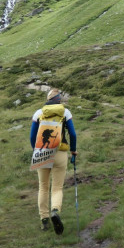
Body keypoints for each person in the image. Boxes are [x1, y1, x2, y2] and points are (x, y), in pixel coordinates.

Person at [30, 88, 77, 234]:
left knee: (43, 186)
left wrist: (36, 151)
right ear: (59, 100)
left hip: (42, 151)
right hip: (60, 152)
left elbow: (32, 137)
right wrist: (73, 151)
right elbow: (73, 134)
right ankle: (55, 210)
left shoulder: (39, 113)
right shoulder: (65, 112)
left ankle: (44, 220)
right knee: (57, 187)